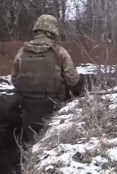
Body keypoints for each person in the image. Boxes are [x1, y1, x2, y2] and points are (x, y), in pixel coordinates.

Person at [11, 14, 85, 143]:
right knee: (49, 145)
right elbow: (72, 80)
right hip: (54, 107)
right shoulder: (60, 52)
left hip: (28, 108)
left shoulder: (22, 51)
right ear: (53, 31)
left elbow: (14, 79)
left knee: (30, 144)